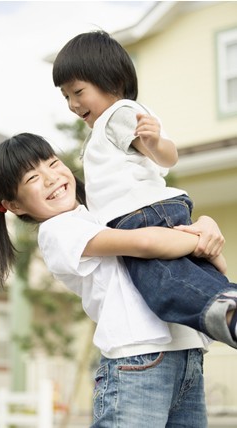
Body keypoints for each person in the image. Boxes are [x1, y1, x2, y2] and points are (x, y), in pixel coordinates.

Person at [0, 133, 236, 427]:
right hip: (138, 361)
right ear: (15, 205)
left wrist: (205, 226)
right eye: (33, 178)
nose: (51, 178)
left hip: (186, 354)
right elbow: (144, 243)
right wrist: (198, 237)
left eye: (53, 164)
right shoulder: (58, 231)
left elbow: (184, 243)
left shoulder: (102, 210)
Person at [52, 30, 237, 346]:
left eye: (78, 91)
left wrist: (154, 142)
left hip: (141, 212)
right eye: (66, 96)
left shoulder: (118, 113)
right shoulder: (103, 127)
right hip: (141, 212)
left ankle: (226, 314)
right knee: (178, 275)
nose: (72, 104)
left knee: (163, 285)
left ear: (111, 80)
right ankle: (223, 291)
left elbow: (169, 156)